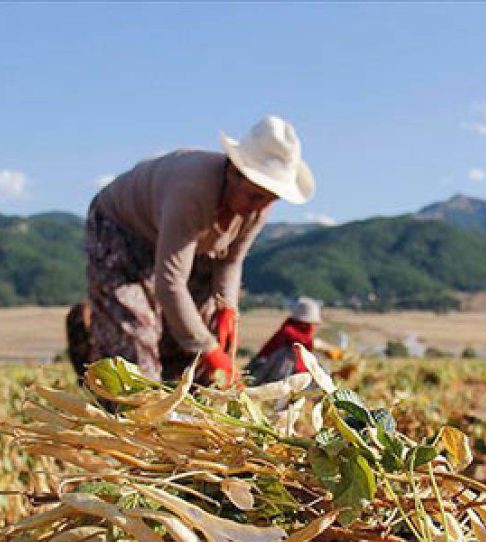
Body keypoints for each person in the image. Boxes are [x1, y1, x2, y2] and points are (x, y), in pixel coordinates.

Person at [68, 116, 314, 386]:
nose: (259, 208)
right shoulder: (191, 191)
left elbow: (230, 262)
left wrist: (227, 308)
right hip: (124, 230)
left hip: (186, 244)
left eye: (269, 201)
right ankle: (116, 390)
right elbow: (170, 284)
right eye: (254, 197)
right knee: (135, 336)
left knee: (195, 333)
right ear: (233, 172)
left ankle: (182, 404)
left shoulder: (257, 209)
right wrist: (207, 348)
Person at [245, 297, 322, 385]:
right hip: (266, 366)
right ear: (303, 323)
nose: (312, 328)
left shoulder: (300, 334)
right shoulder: (288, 332)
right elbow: (298, 340)